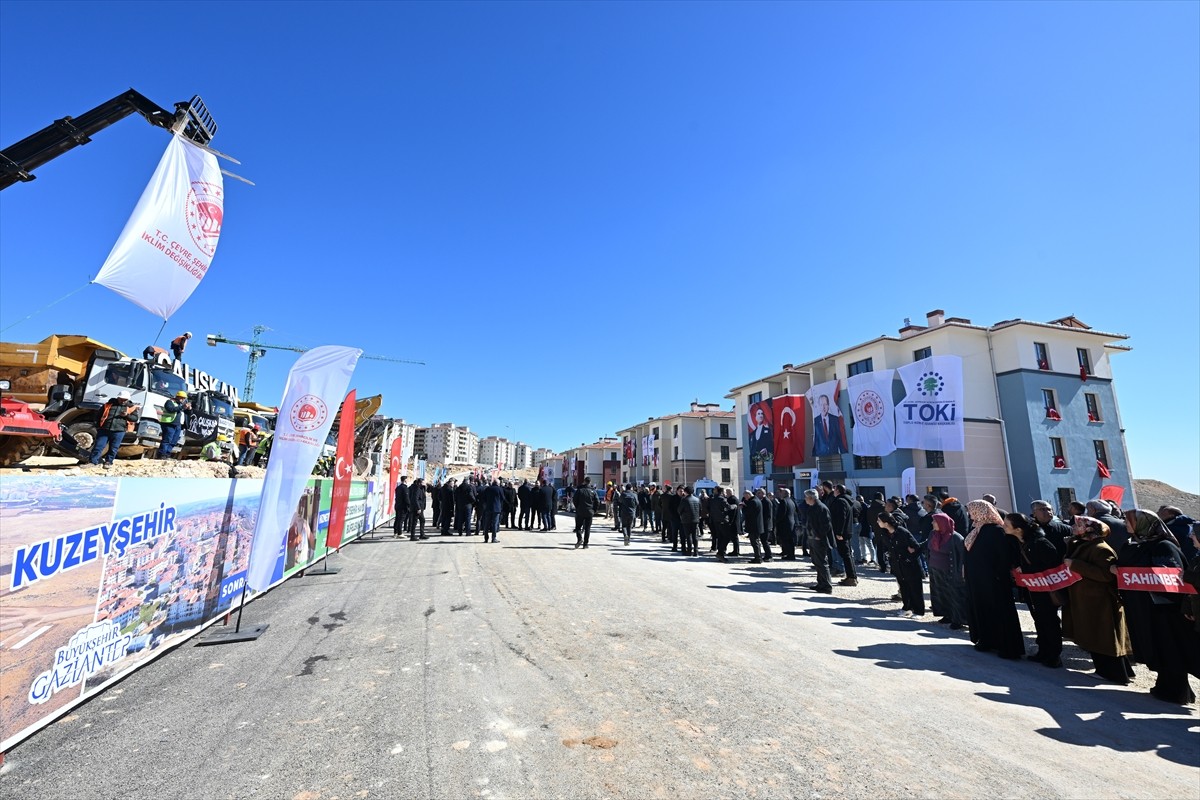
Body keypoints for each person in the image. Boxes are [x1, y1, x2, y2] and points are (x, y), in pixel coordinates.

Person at [1116, 509, 1196, 704]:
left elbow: (1170, 577)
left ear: (1144, 524)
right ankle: (1165, 685)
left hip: (1165, 610)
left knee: (1170, 649)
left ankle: (1177, 691)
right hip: (1147, 608)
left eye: (1130, 521)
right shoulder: (1140, 545)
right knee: (1157, 648)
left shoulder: (1164, 546)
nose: (1126, 523)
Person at [1063, 515, 1135, 684]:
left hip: (1100, 602)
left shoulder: (1101, 548)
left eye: (1077, 525)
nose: (1073, 528)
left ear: (1088, 529)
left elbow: (1105, 574)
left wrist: (1075, 565)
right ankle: (1113, 671)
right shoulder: (1086, 545)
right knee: (1096, 637)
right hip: (1089, 600)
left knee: (1104, 638)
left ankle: (1112, 673)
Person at [963, 499, 1024, 659]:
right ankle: (986, 640)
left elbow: (1003, 557)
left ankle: (1007, 647)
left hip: (994, 581)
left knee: (999, 611)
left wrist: (997, 575)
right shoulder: (977, 529)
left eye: (972, 511)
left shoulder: (997, 530)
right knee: (982, 609)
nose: (969, 515)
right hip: (978, 581)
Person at [1005, 513, 1064, 667]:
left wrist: (1026, 569)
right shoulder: (1020, 541)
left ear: (1018, 529)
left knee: (1050, 621)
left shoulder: (1040, 542)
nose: (1003, 527)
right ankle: (1043, 651)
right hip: (1032, 589)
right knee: (1039, 620)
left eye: (1007, 525)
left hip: (1045, 590)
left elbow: (1053, 564)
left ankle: (1054, 655)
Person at [926, 512, 968, 629]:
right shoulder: (933, 534)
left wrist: (960, 573)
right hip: (936, 570)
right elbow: (928, 548)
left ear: (942, 523)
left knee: (954, 595)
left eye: (934, 521)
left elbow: (962, 557)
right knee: (941, 594)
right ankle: (947, 615)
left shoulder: (955, 538)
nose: (932, 523)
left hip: (950, 572)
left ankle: (958, 619)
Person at [879, 512, 924, 616]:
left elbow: (917, 548)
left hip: (910, 565)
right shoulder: (884, 533)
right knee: (903, 587)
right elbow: (885, 547)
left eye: (879, 521)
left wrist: (909, 558)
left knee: (915, 588)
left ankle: (918, 611)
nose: (877, 522)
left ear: (886, 523)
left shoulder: (902, 532)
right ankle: (907, 607)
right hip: (897, 565)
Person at [88, 392, 138, 468]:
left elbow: (135, 418)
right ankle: (93, 462)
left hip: (119, 431)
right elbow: (98, 415)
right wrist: (97, 425)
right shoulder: (108, 404)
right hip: (104, 429)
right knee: (98, 446)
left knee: (113, 448)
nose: (123, 401)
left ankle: (108, 462)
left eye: (125, 400)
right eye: (121, 399)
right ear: (118, 398)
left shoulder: (131, 407)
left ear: (128, 399)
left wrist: (127, 415)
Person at [803, 489, 835, 593]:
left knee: (821, 562)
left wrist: (819, 536)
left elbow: (826, 525)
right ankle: (820, 583)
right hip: (813, 538)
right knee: (816, 561)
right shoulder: (813, 507)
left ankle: (826, 585)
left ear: (811, 498)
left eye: (806, 497)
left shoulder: (821, 507)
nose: (805, 499)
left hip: (819, 539)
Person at [831, 485, 858, 586]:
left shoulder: (840, 501)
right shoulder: (847, 500)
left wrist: (839, 532)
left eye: (835, 489)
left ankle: (851, 577)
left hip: (842, 533)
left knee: (846, 555)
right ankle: (851, 576)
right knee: (847, 555)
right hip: (846, 531)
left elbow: (841, 517)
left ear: (837, 490)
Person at [157, 390, 189, 460]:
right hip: (169, 423)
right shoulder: (169, 402)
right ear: (177, 397)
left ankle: (167, 454)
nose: (183, 400)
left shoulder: (180, 405)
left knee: (174, 441)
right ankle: (162, 454)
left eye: (184, 398)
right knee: (167, 440)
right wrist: (182, 407)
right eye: (182, 398)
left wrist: (188, 409)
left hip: (177, 425)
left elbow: (186, 413)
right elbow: (171, 409)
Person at [742, 489, 770, 563]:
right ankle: (758, 557)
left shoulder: (753, 502)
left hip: (754, 526)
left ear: (748, 495)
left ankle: (758, 557)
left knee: (755, 542)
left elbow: (748, 513)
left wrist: (744, 507)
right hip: (757, 525)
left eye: (745, 497)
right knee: (756, 542)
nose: (745, 498)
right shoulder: (757, 500)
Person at [774, 488, 799, 561]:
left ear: (784, 494)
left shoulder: (783, 501)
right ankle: (790, 554)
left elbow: (781, 513)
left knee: (786, 540)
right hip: (791, 523)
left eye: (782, 493)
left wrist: (776, 521)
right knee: (790, 540)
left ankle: (789, 555)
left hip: (784, 524)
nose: (780, 494)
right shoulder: (791, 501)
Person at [678, 486, 701, 556]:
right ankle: (696, 551)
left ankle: (689, 550)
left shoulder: (684, 500)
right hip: (696, 519)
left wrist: (682, 515)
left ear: (685, 492)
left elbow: (679, 510)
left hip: (686, 520)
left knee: (688, 536)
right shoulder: (697, 499)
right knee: (695, 535)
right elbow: (700, 509)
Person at [573, 479, 597, 548]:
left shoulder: (579, 490)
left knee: (578, 527)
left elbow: (575, 500)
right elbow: (597, 501)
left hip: (580, 511)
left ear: (584, 482)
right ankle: (585, 544)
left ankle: (580, 539)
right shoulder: (593, 491)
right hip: (589, 512)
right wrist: (594, 510)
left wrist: (577, 507)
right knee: (587, 528)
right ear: (590, 482)